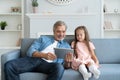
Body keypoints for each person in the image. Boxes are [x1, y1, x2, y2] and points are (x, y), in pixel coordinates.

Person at [4, 21, 71, 80]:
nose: (61, 34)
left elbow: (65, 65)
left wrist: (67, 63)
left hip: (50, 65)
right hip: (35, 60)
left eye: (63, 31)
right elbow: (30, 51)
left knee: (59, 67)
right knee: (9, 65)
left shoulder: (67, 46)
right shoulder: (43, 38)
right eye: (58, 31)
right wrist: (44, 55)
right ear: (54, 32)